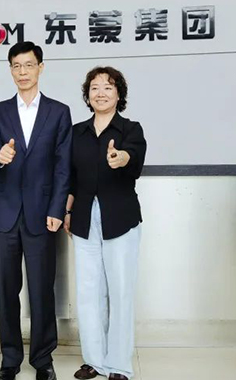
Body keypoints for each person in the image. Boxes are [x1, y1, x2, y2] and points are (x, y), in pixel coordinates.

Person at [0, 41, 73, 380]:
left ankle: (42, 359)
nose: (23, 72)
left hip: (42, 215)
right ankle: (10, 359)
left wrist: (57, 208)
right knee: (7, 291)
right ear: (10, 70)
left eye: (29, 65)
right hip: (5, 215)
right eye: (16, 66)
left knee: (41, 291)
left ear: (40, 67)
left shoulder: (59, 111)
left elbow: (63, 166)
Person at [64, 67, 146, 380]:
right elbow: (71, 178)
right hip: (84, 218)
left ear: (118, 94)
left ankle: (119, 364)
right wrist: (67, 212)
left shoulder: (130, 129)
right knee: (88, 290)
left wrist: (121, 158)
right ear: (87, 95)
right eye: (95, 87)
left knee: (120, 291)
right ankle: (94, 361)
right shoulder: (77, 132)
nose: (101, 93)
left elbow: (133, 159)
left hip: (120, 217)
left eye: (108, 87)